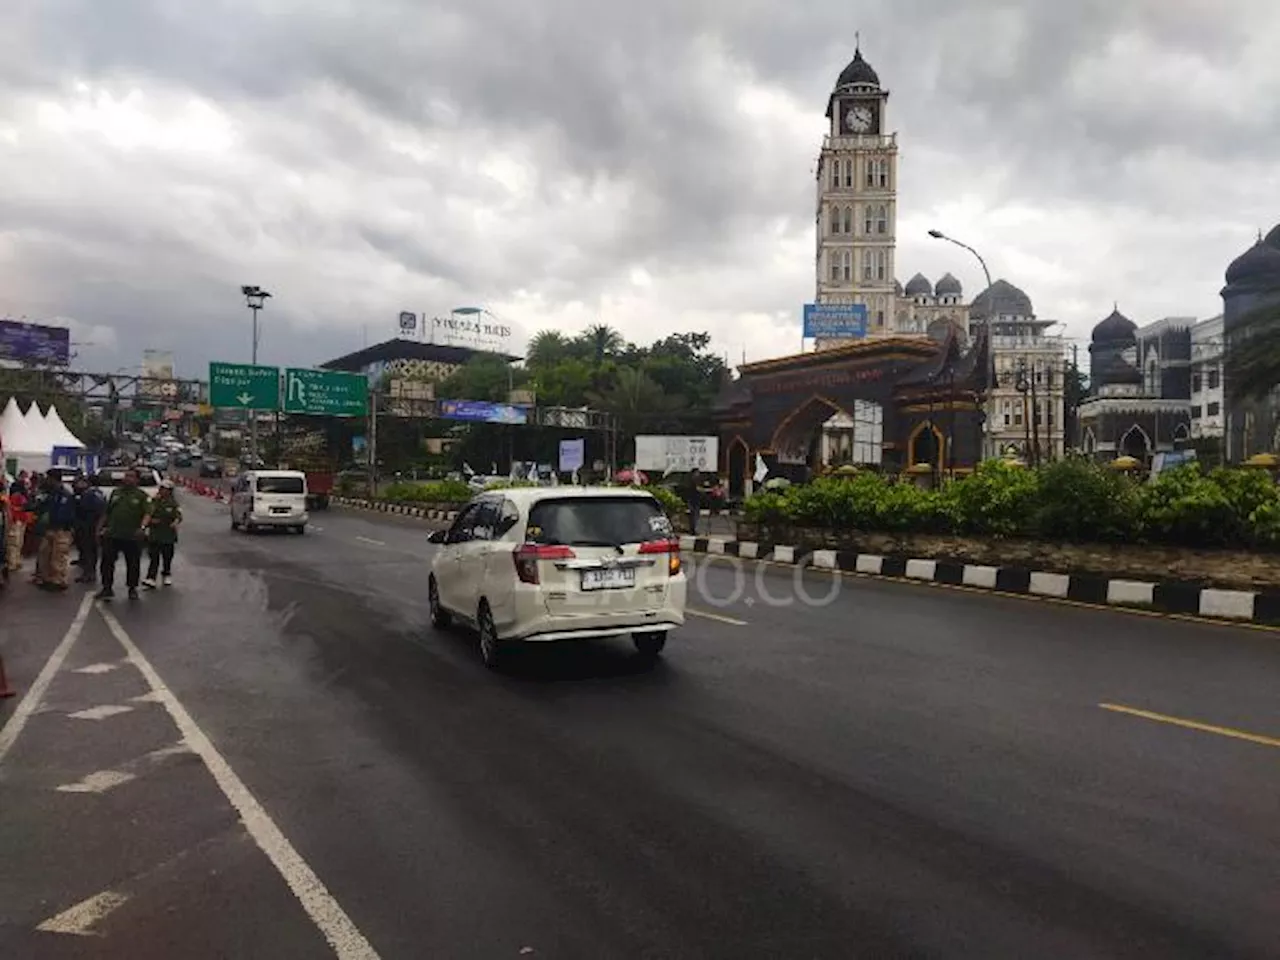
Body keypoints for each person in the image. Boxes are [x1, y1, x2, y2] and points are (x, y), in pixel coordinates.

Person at [96, 468, 151, 601]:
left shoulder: (141, 496)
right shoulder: (116, 493)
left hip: (132, 536)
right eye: (127, 476)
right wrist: (99, 529)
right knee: (107, 562)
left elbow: (147, 514)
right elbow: (107, 512)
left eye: (131, 476)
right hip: (113, 534)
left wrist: (142, 527)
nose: (128, 479)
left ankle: (132, 589)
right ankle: (107, 588)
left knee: (132, 564)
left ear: (137, 480)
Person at [33, 475, 77, 591]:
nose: (47, 480)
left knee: (59, 555)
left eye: (49, 478)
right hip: (50, 528)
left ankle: (59, 580)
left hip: (62, 529)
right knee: (45, 553)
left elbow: (66, 513)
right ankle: (47, 578)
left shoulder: (65, 495)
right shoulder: (52, 494)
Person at [143, 481, 182, 588]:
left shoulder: (173, 503)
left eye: (165, 489)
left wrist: (176, 522)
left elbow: (178, 516)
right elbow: (147, 514)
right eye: (161, 488)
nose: (163, 490)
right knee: (154, 558)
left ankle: (166, 574)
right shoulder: (154, 501)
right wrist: (149, 523)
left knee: (167, 557)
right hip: (155, 534)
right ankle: (151, 578)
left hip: (168, 535)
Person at [73, 476, 107, 585]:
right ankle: (89, 572)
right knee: (90, 549)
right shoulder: (97, 493)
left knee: (89, 549)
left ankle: (89, 573)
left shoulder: (89, 494)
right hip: (91, 524)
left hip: (88, 525)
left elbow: (90, 510)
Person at [686, 468, 703, 535]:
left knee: (695, 515)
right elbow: (697, 489)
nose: (698, 474)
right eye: (697, 473)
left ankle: (693, 529)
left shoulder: (695, 480)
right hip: (693, 500)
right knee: (694, 515)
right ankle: (693, 530)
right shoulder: (692, 481)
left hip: (695, 499)